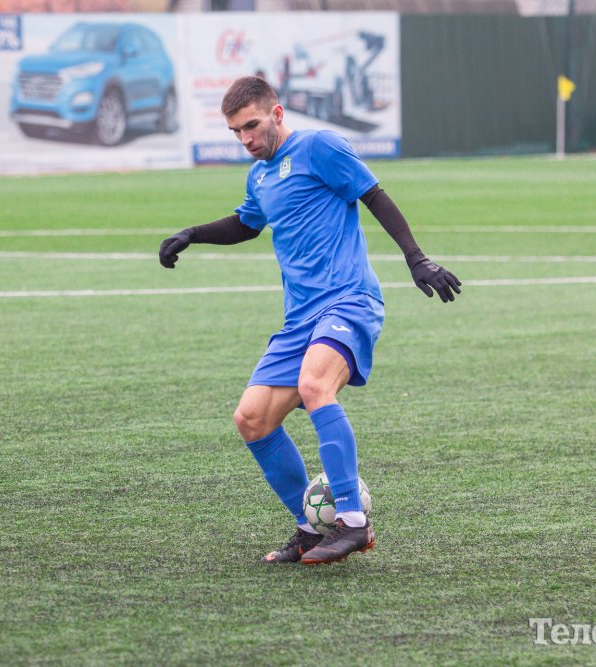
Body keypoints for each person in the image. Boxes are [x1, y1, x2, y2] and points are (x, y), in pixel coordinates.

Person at [158, 76, 461, 565]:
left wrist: (416, 258)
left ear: (277, 114)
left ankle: (353, 522)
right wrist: (191, 234)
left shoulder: (320, 147)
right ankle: (309, 528)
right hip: (299, 317)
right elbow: (246, 224)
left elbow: (374, 195)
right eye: (236, 132)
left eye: (251, 126)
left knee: (315, 384)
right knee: (251, 419)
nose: (245, 139)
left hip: (348, 300)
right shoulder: (259, 176)